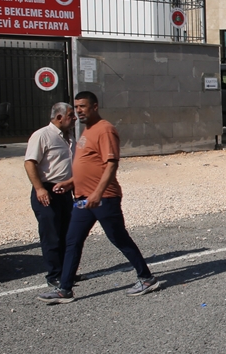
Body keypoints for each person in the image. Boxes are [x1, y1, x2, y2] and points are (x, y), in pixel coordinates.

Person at [37, 91, 158, 304]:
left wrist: (98, 193)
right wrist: (70, 183)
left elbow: (111, 165)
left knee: (118, 238)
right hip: (83, 199)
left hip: (104, 198)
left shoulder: (105, 130)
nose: (79, 111)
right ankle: (64, 289)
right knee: (72, 241)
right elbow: (88, 166)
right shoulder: (86, 131)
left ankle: (146, 278)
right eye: (76, 107)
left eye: (83, 106)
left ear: (95, 106)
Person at [25, 102, 79, 288]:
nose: (75, 118)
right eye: (71, 115)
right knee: (51, 235)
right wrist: (40, 189)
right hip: (47, 190)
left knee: (67, 233)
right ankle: (54, 275)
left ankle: (67, 272)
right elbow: (30, 163)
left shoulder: (70, 137)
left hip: (65, 191)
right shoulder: (42, 136)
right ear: (59, 117)